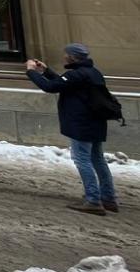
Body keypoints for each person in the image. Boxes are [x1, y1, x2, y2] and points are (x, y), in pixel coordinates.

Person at [26, 43, 117, 215]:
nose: (64, 56)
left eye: (66, 54)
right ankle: (108, 198)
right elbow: (63, 83)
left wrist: (31, 71)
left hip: (81, 123)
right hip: (96, 121)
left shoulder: (78, 74)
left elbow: (51, 87)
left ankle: (93, 200)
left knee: (82, 159)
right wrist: (46, 71)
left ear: (72, 57)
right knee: (97, 159)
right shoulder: (91, 72)